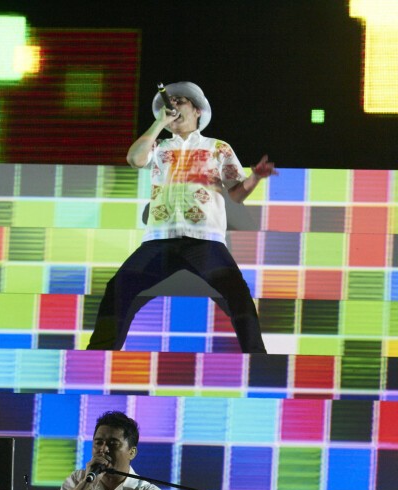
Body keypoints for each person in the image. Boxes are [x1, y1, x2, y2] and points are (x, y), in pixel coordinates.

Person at [87, 81, 277, 353]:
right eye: (170, 101)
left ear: (197, 110)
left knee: (237, 293)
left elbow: (236, 194)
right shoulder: (159, 146)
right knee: (118, 288)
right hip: (160, 238)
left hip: (204, 239)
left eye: (180, 101)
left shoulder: (217, 147)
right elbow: (135, 159)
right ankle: (97, 355)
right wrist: (159, 123)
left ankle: (257, 358)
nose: (173, 105)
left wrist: (255, 176)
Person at [47, 411, 171, 490]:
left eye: (113, 444)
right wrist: (86, 483)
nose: (104, 449)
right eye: (98, 442)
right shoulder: (77, 479)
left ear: (132, 452)